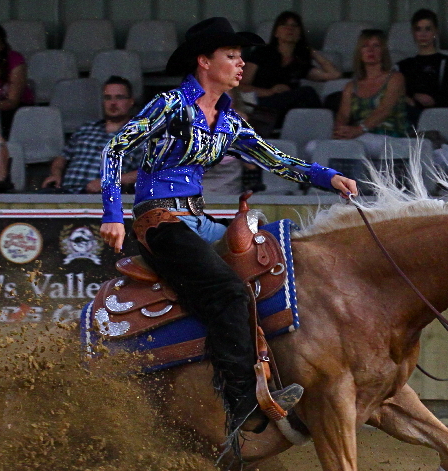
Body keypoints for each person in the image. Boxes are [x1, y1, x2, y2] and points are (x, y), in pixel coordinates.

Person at [100, 17, 358, 440]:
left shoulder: (228, 120)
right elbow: (116, 147)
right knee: (227, 290)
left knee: (278, 263)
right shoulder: (170, 105)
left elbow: (277, 160)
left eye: (241, 57)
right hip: (158, 222)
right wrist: (112, 213)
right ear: (205, 61)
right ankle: (241, 401)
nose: (241, 65)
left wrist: (328, 177)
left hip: (198, 221)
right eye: (232, 56)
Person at [40, 76, 144, 193]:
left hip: (101, 197)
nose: (113, 103)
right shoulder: (86, 128)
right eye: (107, 98)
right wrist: (56, 174)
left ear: (131, 102)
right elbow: (62, 157)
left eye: (119, 97)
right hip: (64, 192)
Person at [239, 11, 341, 128]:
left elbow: (334, 75)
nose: (290, 29)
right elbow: (241, 85)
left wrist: (312, 52)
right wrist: (270, 91)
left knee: (333, 98)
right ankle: (328, 127)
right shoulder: (261, 54)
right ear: (276, 32)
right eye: (284, 25)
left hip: (288, 106)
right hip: (261, 104)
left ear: (300, 33)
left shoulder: (299, 62)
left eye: (294, 26)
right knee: (307, 92)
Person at [333, 29, 410, 156]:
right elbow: (343, 115)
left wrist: (359, 130)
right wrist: (340, 131)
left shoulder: (395, 78)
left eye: (376, 46)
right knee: (313, 146)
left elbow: (384, 110)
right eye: (365, 46)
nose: (370, 50)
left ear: (383, 51)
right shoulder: (351, 86)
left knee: (359, 144)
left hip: (389, 137)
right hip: (359, 136)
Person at [396, 9, 448, 127]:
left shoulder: (445, 63)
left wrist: (432, 100)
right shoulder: (404, 65)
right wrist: (411, 97)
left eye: (428, 29)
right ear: (413, 32)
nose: (423, 34)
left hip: (436, 118)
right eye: (418, 29)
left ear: (435, 32)